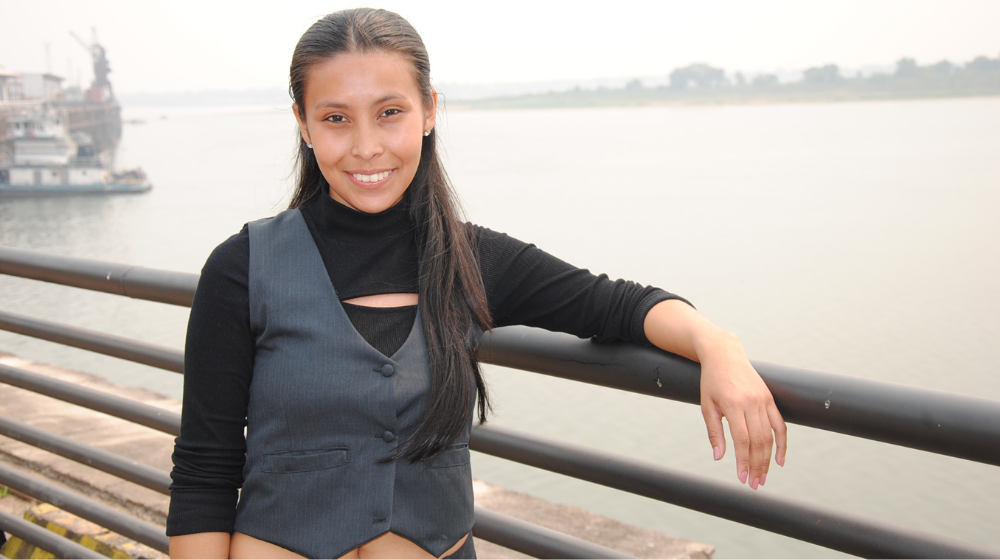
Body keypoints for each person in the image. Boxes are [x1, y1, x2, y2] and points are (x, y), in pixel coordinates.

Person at [167, 8, 787, 559]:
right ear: (303, 124)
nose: (366, 147)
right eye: (335, 118)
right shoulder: (242, 268)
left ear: (429, 110)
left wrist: (718, 346)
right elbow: (204, 469)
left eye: (390, 113)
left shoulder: (472, 259)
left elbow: (618, 305)